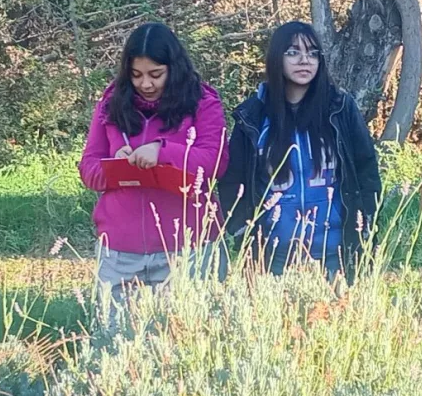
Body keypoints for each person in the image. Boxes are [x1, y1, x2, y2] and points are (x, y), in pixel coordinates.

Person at [79, 22, 229, 301]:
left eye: (155, 74)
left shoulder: (202, 102)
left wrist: (162, 151)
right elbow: (88, 168)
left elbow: (215, 162)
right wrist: (114, 165)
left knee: (186, 340)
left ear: (173, 69)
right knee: (117, 341)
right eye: (136, 75)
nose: (145, 84)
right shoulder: (111, 103)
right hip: (120, 252)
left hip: (188, 249)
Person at [219, 21, 381, 279]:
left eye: (312, 53)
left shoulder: (340, 109)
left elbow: (366, 170)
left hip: (334, 255)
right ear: (276, 57)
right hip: (272, 259)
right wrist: (241, 229)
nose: (305, 60)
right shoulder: (253, 115)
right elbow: (232, 179)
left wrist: (367, 226)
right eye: (293, 52)